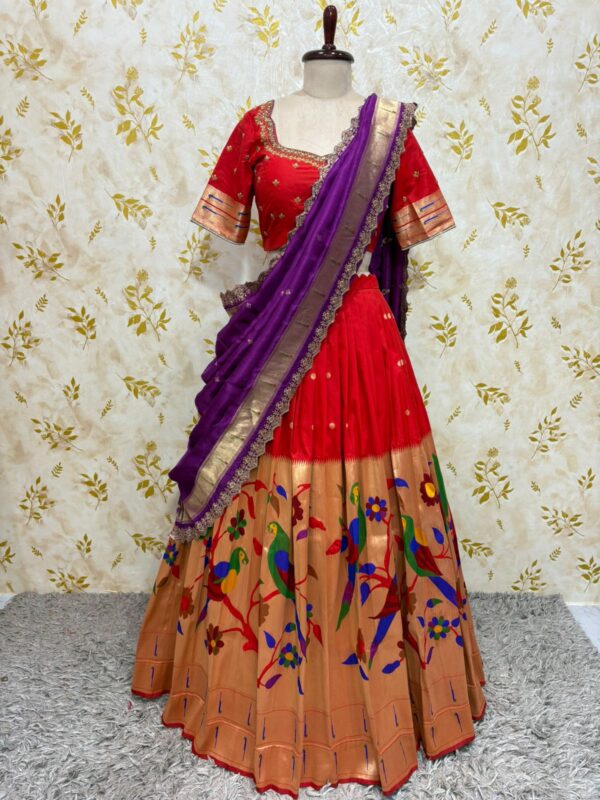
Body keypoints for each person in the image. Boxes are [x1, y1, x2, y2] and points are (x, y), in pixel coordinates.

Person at [130, 53, 486, 798]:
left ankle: (382, 689)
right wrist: (250, 319)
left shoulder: (391, 129)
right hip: (275, 337)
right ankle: (252, 675)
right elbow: (226, 245)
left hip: (360, 341)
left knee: (373, 499)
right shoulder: (254, 128)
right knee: (255, 479)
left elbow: (405, 239)